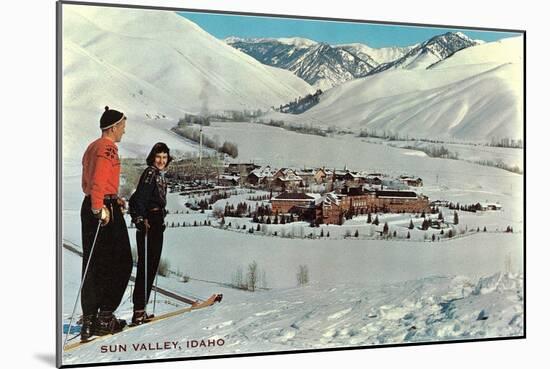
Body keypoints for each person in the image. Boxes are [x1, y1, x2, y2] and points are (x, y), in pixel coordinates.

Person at [80, 106, 133, 341]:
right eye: (122, 126)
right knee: (122, 261)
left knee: (94, 263)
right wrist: (100, 207)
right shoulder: (108, 148)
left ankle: (90, 321)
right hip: (102, 208)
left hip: (97, 203)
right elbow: (100, 179)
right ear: (113, 127)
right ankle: (105, 317)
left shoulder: (92, 146)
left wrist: (112, 198)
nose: (124, 130)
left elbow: (91, 179)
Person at [129, 142, 172, 325]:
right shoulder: (150, 173)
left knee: (151, 266)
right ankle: (138, 311)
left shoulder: (159, 176)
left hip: (156, 221)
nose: (161, 161)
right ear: (152, 157)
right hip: (149, 223)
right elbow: (138, 198)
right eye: (158, 157)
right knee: (147, 267)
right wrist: (139, 218)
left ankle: (141, 310)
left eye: (164, 157)